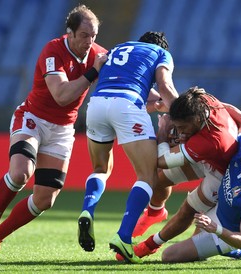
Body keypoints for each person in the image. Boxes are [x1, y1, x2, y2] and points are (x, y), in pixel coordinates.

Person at [0, 5, 107, 261]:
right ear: (69, 33)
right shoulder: (54, 50)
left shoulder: (98, 53)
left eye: (93, 35)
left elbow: (119, 81)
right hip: (33, 118)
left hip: (62, 130)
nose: (89, 41)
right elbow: (61, 96)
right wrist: (93, 72)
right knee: (20, 173)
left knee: (45, 199)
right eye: (84, 35)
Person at [76, 31, 179, 264]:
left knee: (101, 168)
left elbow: (137, 87)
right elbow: (164, 85)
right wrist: (181, 113)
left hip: (97, 104)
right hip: (126, 104)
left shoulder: (120, 47)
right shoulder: (161, 53)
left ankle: (87, 210)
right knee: (148, 175)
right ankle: (124, 236)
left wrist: (158, 104)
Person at [116, 86, 241, 261]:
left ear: (196, 119)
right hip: (211, 157)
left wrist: (164, 129)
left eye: (182, 127)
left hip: (223, 174)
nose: (179, 131)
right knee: (155, 178)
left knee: (188, 210)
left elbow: (161, 159)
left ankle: (150, 245)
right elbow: (230, 109)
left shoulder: (208, 141)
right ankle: (155, 212)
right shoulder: (203, 100)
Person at [162, 142, 241, 262]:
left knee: (169, 256)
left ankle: (234, 251)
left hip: (227, 233)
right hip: (216, 212)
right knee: (194, 243)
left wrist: (217, 230)